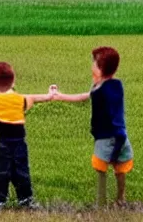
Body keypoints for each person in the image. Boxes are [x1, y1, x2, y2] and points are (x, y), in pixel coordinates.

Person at [52, 46, 133, 206]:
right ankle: (119, 198)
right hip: (114, 135)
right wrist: (60, 96)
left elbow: (115, 115)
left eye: (94, 63)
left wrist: (119, 138)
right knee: (119, 168)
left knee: (103, 169)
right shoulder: (106, 86)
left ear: (100, 68)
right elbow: (85, 96)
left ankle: (104, 202)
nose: (91, 65)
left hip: (110, 136)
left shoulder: (106, 90)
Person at [0, 62, 54, 211]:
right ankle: (26, 199)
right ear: (13, 81)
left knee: (2, 173)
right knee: (22, 172)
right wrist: (50, 95)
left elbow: (0, 91)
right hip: (19, 144)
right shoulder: (20, 100)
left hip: (3, 143)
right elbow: (32, 98)